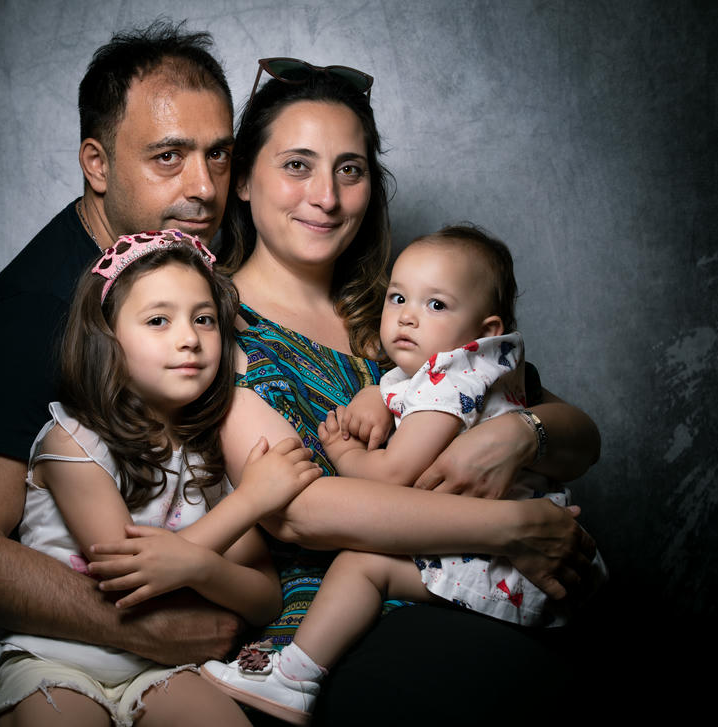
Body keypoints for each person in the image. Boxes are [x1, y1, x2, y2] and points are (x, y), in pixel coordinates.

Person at [208, 59, 602, 722]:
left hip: (472, 588)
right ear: (244, 178)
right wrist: (513, 525)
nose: (327, 197)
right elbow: (298, 511)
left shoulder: (404, 310)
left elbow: (580, 437)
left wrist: (518, 434)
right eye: (297, 165)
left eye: (350, 169)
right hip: (325, 626)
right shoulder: (209, 324)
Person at [0, 22, 248, 716]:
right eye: (168, 156)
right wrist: (145, 630)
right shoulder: (36, 315)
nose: (204, 188)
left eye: (218, 155)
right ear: (97, 166)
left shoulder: (184, 256)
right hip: (72, 666)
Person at [0, 231, 322, 726]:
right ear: (107, 337)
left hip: (163, 665)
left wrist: (202, 569)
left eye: (204, 319)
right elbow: (130, 572)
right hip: (59, 660)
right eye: (158, 320)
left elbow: (264, 598)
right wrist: (250, 502)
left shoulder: (207, 453)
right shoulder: (72, 442)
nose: (188, 338)